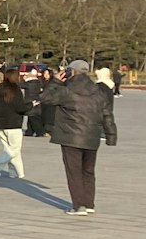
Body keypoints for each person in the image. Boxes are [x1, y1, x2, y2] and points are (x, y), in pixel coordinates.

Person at [40, 59, 118, 216]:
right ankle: (89, 204)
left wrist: (55, 81)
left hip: (71, 137)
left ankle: (79, 206)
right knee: (88, 171)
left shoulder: (67, 90)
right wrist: (111, 135)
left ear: (72, 71)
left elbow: (45, 98)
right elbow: (107, 114)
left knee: (74, 171)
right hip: (92, 137)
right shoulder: (98, 91)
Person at [0, 64, 33, 179]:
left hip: (0, 124)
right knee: (14, 149)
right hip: (13, 124)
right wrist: (31, 105)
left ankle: (16, 173)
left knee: (10, 149)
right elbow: (20, 107)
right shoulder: (16, 90)